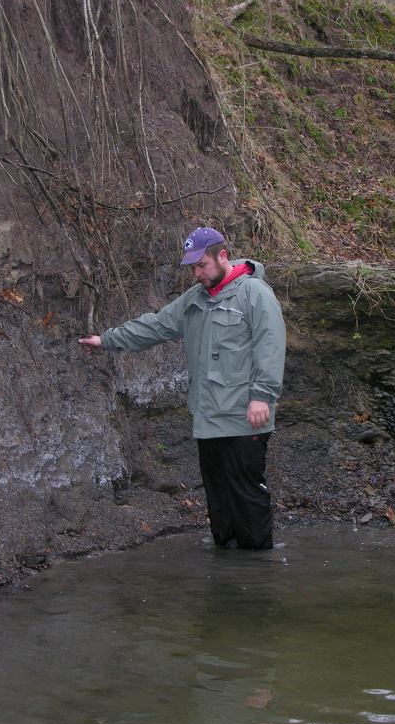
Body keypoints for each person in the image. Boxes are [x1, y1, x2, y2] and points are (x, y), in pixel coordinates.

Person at [79, 227, 286, 550]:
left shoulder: (255, 294)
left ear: (222, 257)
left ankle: (257, 574)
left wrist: (262, 395)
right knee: (218, 498)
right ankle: (227, 569)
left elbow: (270, 347)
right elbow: (155, 325)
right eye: (192, 267)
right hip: (208, 418)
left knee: (247, 495)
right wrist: (106, 340)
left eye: (202, 265)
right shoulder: (195, 299)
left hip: (247, 417)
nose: (197, 273)